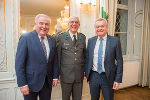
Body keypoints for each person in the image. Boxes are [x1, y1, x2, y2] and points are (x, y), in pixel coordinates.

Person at [15, 14, 59, 100]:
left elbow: (54, 60)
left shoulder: (52, 39)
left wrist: (55, 76)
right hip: (30, 82)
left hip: (47, 82)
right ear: (35, 24)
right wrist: (22, 84)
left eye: (46, 24)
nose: (44, 26)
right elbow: (19, 64)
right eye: (41, 23)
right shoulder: (26, 38)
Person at [85, 18, 123, 100]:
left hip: (108, 77)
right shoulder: (91, 41)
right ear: (95, 29)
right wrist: (88, 75)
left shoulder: (115, 41)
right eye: (97, 27)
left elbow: (119, 61)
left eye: (102, 26)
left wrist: (117, 79)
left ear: (107, 27)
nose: (99, 29)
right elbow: (88, 59)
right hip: (93, 76)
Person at [57, 16, 86, 100]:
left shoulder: (82, 37)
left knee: (78, 98)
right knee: (65, 98)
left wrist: (84, 71)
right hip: (66, 75)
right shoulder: (61, 37)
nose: (74, 24)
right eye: (72, 22)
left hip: (79, 75)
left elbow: (84, 56)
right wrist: (58, 73)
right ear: (68, 24)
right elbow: (58, 56)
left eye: (76, 22)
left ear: (79, 24)